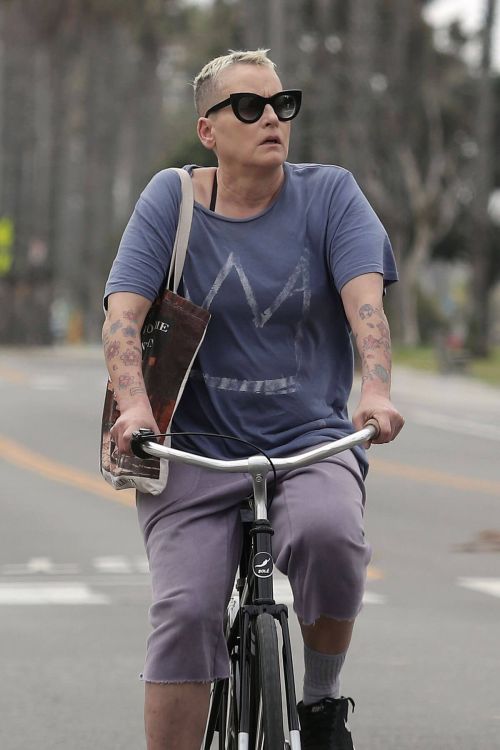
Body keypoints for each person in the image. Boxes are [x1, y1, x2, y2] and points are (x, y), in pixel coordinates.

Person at [102, 49, 404, 750]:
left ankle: (323, 703)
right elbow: (122, 316)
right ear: (208, 129)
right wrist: (135, 407)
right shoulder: (169, 199)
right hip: (192, 453)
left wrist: (377, 390)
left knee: (332, 538)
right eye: (248, 106)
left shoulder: (331, 195)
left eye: (281, 104)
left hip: (308, 443)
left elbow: (368, 308)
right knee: (185, 610)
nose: (271, 117)